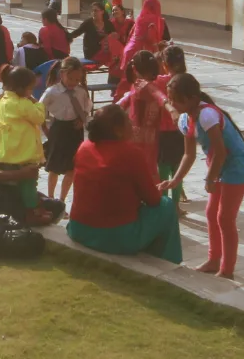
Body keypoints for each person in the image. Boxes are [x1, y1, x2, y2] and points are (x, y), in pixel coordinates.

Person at [161, 73, 244, 279]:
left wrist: (210, 179)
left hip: (237, 168)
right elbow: (188, 155)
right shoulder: (186, 119)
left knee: (225, 218)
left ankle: (227, 269)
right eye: (170, 99)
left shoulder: (207, 116)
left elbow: (221, 152)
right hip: (220, 168)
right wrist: (175, 180)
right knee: (211, 213)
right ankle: (214, 260)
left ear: (192, 99)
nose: (172, 104)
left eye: (176, 99)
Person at [68, 104, 182, 264]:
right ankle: (169, 264)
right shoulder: (131, 153)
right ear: (118, 130)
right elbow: (153, 200)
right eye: (128, 120)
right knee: (167, 206)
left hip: (78, 229)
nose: (132, 123)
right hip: (114, 237)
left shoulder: (84, 147)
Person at [0, 66, 46, 212]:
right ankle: (31, 211)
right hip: (25, 155)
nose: (31, 92)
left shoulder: (2, 101)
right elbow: (40, 117)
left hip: (6, 154)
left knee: (11, 186)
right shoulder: (24, 104)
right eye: (30, 89)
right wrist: (37, 103)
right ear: (21, 89)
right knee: (29, 185)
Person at [42, 57, 90, 204]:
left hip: (75, 130)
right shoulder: (52, 92)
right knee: (54, 167)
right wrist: (44, 127)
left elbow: (87, 107)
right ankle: (50, 198)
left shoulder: (81, 91)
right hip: (58, 129)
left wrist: (82, 119)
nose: (73, 82)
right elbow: (39, 109)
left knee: (72, 167)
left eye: (77, 79)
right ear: (62, 74)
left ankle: (62, 199)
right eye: (70, 78)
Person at [115, 51, 163, 177]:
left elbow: (121, 104)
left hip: (135, 134)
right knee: (150, 169)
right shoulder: (155, 85)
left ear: (134, 69)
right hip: (152, 135)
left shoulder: (139, 85)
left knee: (135, 169)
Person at [155, 46, 188, 204]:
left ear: (165, 64)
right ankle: (176, 205)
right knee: (178, 169)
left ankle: (164, 204)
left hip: (163, 132)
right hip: (181, 130)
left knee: (163, 169)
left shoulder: (160, 81)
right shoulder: (186, 80)